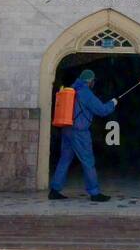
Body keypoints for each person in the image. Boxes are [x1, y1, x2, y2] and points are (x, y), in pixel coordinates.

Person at [49, 68, 118, 202]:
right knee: (88, 161)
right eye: (93, 81)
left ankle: (54, 190)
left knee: (64, 159)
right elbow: (102, 110)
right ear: (90, 81)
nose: (94, 83)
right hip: (80, 132)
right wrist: (113, 103)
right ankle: (95, 193)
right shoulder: (86, 93)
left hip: (67, 129)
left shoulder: (71, 90)